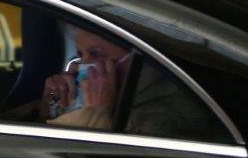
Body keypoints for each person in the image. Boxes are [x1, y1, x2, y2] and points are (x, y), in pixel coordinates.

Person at [40, 23, 205, 138]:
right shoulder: (119, 99)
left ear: (136, 57)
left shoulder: (162, 119)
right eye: (81, 54)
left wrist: (94, 113)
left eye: (96, 54)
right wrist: (55, 107)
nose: (83, 64)